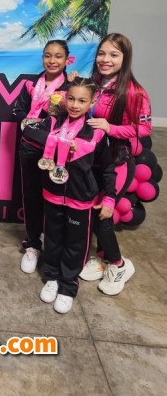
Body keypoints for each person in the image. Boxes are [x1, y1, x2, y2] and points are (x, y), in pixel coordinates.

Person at [21, 77, 117, 314]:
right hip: (52, 193)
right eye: (71, 99)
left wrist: (109, 197)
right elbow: (28, 131)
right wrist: (58, 141)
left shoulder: (96, 132)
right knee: (53, 240)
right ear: (64, 99)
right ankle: (52, 278)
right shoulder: (53, 122)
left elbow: (107, 168)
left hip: (80, 199)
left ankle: (67, 286)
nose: (75, 105)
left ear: (92, 101)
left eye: (82, 101)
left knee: (76, 245)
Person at [79, 33, 152, 295]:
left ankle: (119, 265)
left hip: (117, 162)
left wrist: (111, 128)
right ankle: (102, 257)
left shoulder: (134, 91)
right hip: (94, 161)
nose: (105, 59)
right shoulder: (95, 83)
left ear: (125, 58)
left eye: (113, 54)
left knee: (103, 213)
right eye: (101, 53)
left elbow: (144, 129)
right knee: (90, 210)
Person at [12, 40, 73, 274]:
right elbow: (17, 111)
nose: (52, 60)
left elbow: (71, 119)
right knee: (31, 196)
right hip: (29, 147)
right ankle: (32, 245)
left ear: (66, 60)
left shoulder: (70, 87)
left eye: (58, 56)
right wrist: (32, 124)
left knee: (55, 199)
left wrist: (39, 125)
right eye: (48, 55)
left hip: (58, 152)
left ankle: (53, 245)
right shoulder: (30, 85)